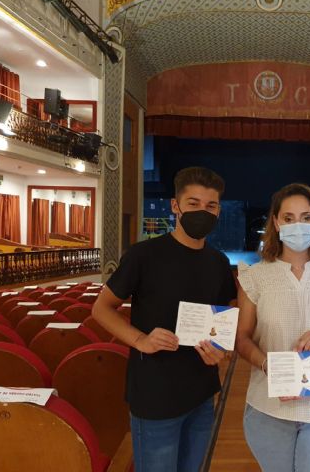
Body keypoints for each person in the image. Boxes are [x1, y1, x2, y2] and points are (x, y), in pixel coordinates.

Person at [92, 166, 237, 472]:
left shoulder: (219, 262)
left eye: (210, 206)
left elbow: (223, 317)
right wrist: (140, 340)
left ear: (219, 211)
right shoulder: (143, 255)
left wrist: (221, 349)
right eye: (193, 203)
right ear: (175, 205)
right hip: (155, 395)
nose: (203, 211)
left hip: (202, 393)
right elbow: (102, 309)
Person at [236, 183, 310, 472]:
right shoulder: (255, 277)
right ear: (276, 222)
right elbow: (242, 338)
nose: (297, 225)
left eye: (306, 217)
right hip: (269, 404)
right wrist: (267, 364)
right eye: (288, 218)